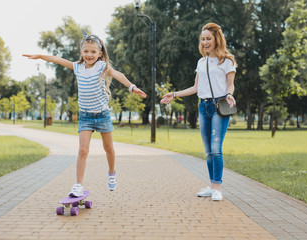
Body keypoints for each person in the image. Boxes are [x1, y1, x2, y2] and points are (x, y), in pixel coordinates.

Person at [23, 30, 147, 197]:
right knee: (82, 150)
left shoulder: (102, 66)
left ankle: (111, 173)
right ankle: (78, 184)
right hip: (85, 116)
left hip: (102, 114)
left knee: (108, 148)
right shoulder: (77, 67)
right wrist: (40, 56)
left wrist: (132, 87)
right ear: (81, 52)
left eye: (93, 51)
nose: (89, 55)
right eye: (86, 51)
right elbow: (57, 60)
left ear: (100, 53)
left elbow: (118, 74)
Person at [161, 23, 236, 201]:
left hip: (220, 106)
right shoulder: (201, 62)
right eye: (202, 39)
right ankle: (211, 186)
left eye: (208, 38)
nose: (205, 42)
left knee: (216, 149)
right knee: (208, 151)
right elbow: (196, 87)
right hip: (204, 107)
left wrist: (230, 95)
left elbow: (230, 84)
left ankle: (217, 188)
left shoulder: (227, 60)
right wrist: (174, 94)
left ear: (217, 39)